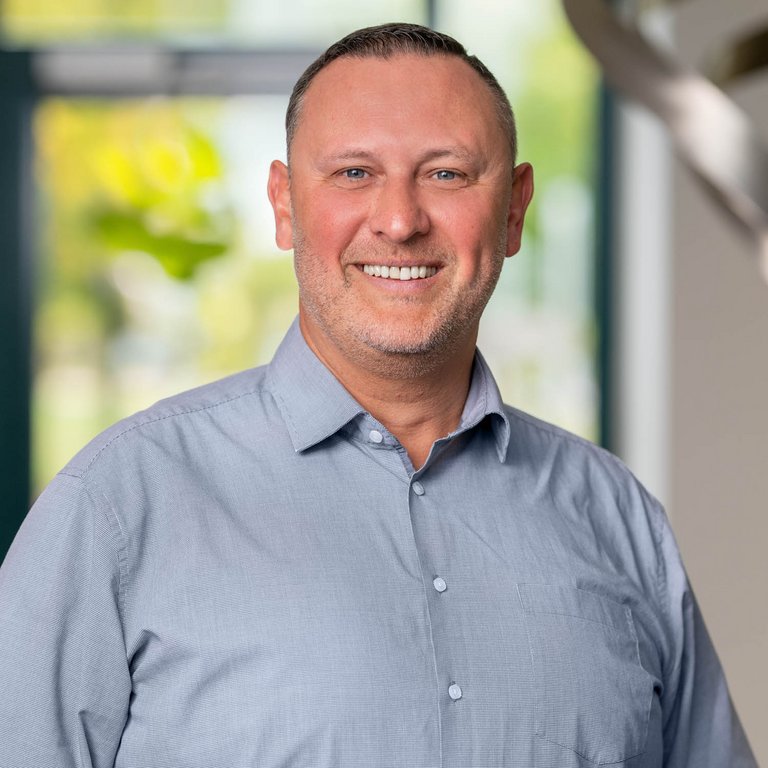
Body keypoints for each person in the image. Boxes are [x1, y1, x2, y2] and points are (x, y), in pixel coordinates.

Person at [0, 22, 756, 768]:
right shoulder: (119, 508)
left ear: (515, 208)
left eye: (447, 173)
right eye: (354, 173)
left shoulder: (616, 517)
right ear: (285, 204)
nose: (399, 221)